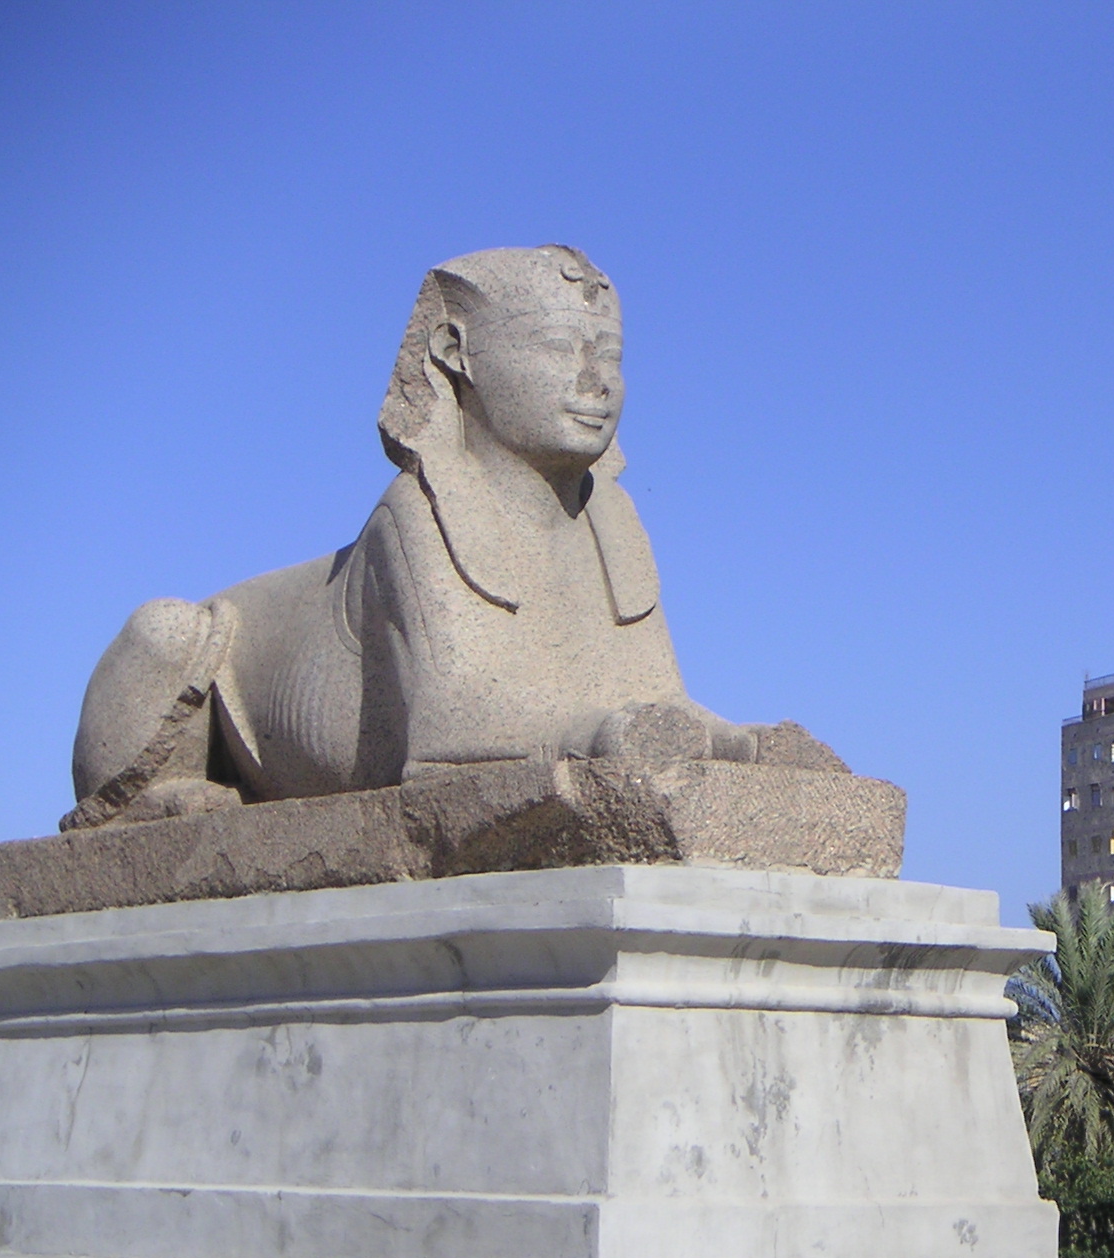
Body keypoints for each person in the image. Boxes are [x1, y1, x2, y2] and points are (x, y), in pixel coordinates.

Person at [66, 246, 827, 831]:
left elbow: (658, 703)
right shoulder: (417, 514)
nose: (595, 381)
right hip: (240, 709)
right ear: (454, 353)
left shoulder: (614, 522)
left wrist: (748, 745)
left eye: (611, 355)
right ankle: (146, 799)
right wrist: (604, 733)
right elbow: (450, 727)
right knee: (167, 631)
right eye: (556, 348)